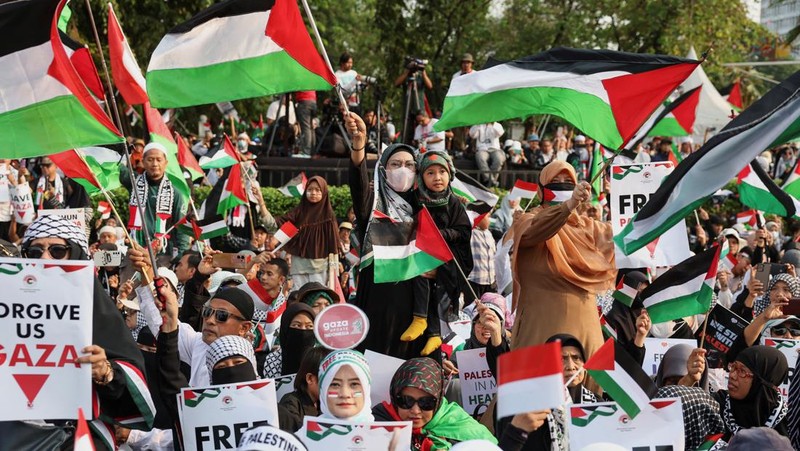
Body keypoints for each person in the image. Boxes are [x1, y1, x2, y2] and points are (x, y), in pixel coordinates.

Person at [0, 214, 155, 447]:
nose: (45, 258)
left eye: (57, 251)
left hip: (78, 437)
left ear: (76, 255)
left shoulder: (97, 307)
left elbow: (130, 376)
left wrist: (106, 372)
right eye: (35, 252)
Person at [508, 160, 615, 365]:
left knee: (591, 391)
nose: (562, 185)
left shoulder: (589, 227)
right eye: (555, 181)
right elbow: (535, 231)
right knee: (536, 389)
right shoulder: (528, 221)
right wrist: (568, 206)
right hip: (540, 331)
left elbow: (624, 237)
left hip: (587, 331)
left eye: (568, 181)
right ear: (541, 189)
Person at [345, 112, 428, 359]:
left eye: (409, 165)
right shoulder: (373, 204)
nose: (402, 169)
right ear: (383, 169)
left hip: (414, 301)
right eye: (395, 164)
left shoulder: (424, 204)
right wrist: (359, 146)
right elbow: (358, 186)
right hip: (377, 296)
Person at [405, 150, 473, 355]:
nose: (437, 177)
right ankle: (420, 319)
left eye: (442, 172)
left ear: (449, 175)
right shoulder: (414, 200)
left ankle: (434, 334)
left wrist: (441, 235)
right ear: (421, 177)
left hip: (446, 260)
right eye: (430, 173)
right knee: (420, 280)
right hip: (419, 256)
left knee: (435, 291)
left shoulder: (453, 202)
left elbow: (463, 231)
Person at [373, 357, 497, 449]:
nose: (415, 411)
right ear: (395, 398)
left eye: (426, 403)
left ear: (437, 402)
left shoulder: (461, 427)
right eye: (406, 401)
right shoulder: (376, 422)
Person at [121, 142, 189, 260]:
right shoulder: (133, 181)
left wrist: (182, 255)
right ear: (143, 162)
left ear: (166, 163)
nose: (155, 164)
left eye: (159, 159)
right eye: (150, 159)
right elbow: (117, 167)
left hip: (162, 253)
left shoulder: (175, 193)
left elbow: (181, 225)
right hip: (135, 249)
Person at [271, 176, 339, 288]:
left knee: (317, 298)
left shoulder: (329, 216)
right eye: (310, 189)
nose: (313, 193)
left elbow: (333, 245)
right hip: (298, 265)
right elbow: (280, 223)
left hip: (320, 267)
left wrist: (335, 268)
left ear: (324, 192)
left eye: (318, 190)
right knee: (298, 296)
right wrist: (261, 203)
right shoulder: (299, 212)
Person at [713, 346, 789, 439]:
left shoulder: (788, 423)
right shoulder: (716, 404)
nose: (732, 375)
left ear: (761, 382)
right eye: (733, 367)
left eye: (742, 371)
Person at [279, 347, 331, 432]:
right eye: (328, 378)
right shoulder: (291, 403)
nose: (334, 386)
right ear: (310, 378)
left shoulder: (326, 405)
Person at [317, 350, 374, 421]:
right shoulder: (305, 432)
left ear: (367, 389)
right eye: (335, 384)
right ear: (322, 390)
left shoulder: (384, 432)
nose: (345, 394)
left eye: (354, 384)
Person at [263, 302, 317, 378]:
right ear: (285, 328)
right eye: (296, 325)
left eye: (309, 326)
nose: (303, 331)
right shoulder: (269, 362)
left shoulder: (321, 362)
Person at [467, 215, 496, 300]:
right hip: (474, 279)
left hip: (490, 280)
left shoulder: (489, 233)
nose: (489, 221)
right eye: (487, 217)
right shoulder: (471, 232)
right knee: (472, 309)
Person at [469, 122, 505, 187]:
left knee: (499, 159)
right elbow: (472, 135)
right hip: (482, 149)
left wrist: (493, 124)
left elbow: (500, 133)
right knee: (480, 157)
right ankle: (492, 181)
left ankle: (491, 181)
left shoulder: (497, 124)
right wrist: (478, 124)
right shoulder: (479, 124)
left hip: (495, 149)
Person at [295, 90, 317, 157]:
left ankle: (306, 152)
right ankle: (312, 151)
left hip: (304, 100)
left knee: (306, 128)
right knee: (311, 128)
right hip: (313, 100)